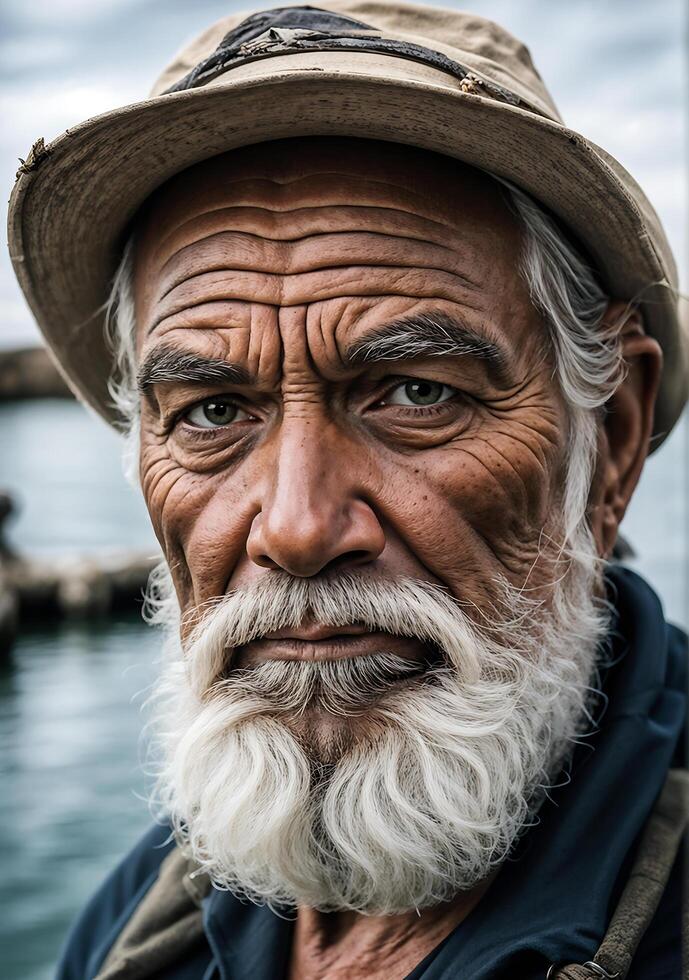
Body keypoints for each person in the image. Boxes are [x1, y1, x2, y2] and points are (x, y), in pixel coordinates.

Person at [8, 3, 687, 978]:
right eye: (209, 410)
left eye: (417, 393)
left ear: (610, 440)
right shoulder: (149, 910)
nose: (292, 525)